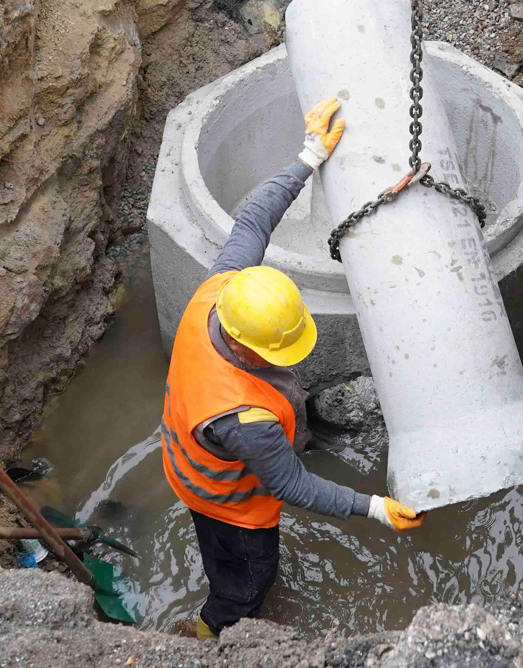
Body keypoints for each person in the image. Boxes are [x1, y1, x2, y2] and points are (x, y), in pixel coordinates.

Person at [161, 96, 426, 639]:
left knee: (230, 561)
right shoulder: (244, 420)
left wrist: (309, 155)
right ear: (248, 347)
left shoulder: (220, 293)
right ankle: (215, 633)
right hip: (225, 500)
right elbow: (292, 487)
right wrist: (373, 507)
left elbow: (255, 218)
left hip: (188, 454)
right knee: (246, 579)